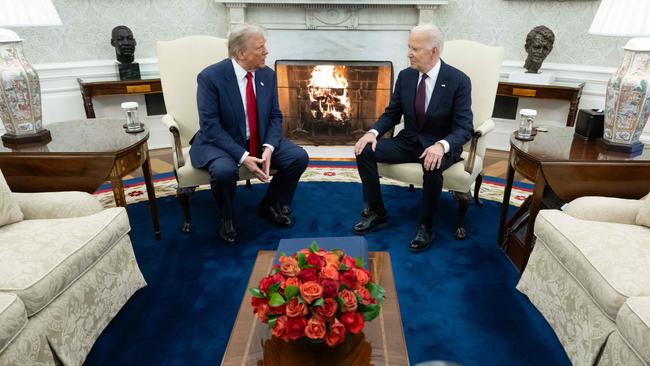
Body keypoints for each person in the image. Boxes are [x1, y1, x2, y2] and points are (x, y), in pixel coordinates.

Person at [353, 24, 473, 252]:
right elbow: (392, 114)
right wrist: (372, 133)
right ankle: (377, 211)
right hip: (408, 141)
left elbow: (464, 128)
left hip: (440, 145)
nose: (409, 53)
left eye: (415, 49)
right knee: (364, 150)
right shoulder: (406, 76)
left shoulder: (458, 80)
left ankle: (426, 225)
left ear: (434, 51)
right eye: (409, 47)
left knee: (432, 163)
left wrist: (442, 145)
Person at [189, 23, 309, 245]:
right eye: (260, 47)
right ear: (241, 53)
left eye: (265, 46)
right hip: (220, 142)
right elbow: (210, 126)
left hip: (258, 138)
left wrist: (269, 147)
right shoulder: (210, 77)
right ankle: (226, 217)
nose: (266, 51)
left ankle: (271, 204)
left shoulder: (267, 75)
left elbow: (275, 116)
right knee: (224, 171)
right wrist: (243, 157)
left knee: (298, 157)